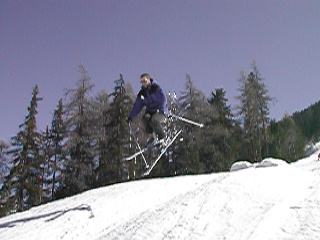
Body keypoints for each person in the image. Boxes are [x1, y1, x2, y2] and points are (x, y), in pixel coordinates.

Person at [127, 73, 168, 145]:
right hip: (151, 111)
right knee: (145, 119)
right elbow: (137, 106)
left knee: (154, 120)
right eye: (141, 82)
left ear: (149, 80)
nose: (143, 83)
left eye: (144, 81)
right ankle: (152, 137)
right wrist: (131, 117)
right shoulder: (142, 93)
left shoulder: (155, 88)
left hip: (160, 111)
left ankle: (163, 137)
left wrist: (162, 109)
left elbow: (163, 98)